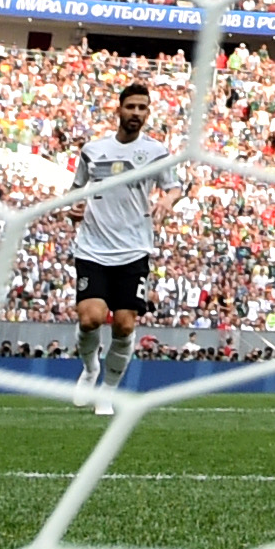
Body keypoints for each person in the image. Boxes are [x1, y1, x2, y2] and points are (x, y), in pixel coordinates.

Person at [67, 83, 177, 407]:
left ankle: (108, 391)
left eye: (142, 108)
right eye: (131, 107)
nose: (136, 113)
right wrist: (74, 209)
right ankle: (90, 370)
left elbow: (174, 188)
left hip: (134, 248)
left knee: (125, 323)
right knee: (90, 318)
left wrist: (168, 201)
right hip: (93, 246)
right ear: (119, 110)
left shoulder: (156, 152)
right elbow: (75, 191)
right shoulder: (93, 150)